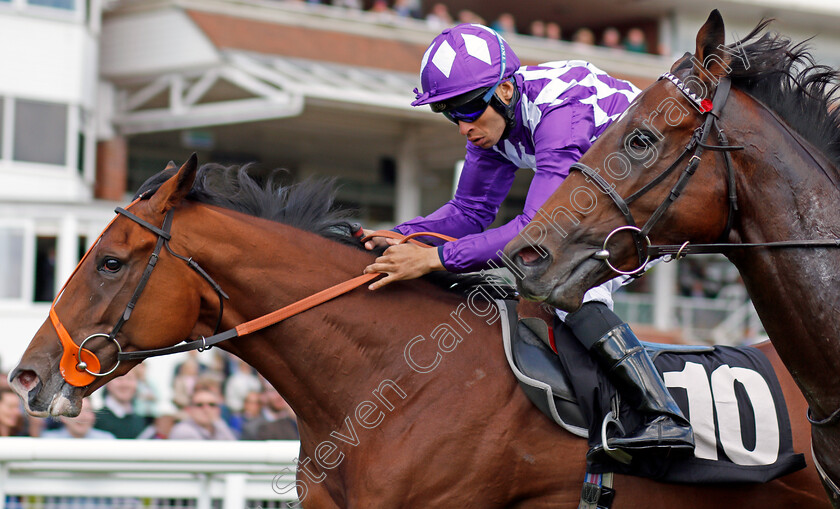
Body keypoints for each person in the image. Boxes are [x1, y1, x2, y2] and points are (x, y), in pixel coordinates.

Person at [362, 24, 693, 457]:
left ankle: (661, 416)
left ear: (503, 91)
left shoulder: (561, 111)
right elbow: (468, 214)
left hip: (661, 185)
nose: (462, 128)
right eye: (448, 114)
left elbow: (535, 231)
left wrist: (434, 259)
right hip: (609, 189)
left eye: (465, 110)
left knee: (557, 277)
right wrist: (399, 234)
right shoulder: (492, 123)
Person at [94, 371, 151, 439]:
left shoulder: (143, 420)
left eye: (129, 378)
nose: (125, 384)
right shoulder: (95, 420)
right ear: (107, 382)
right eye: (119, 378)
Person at [169, 388, 237, 440]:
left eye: (212, 405)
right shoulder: (182, 431)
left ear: (219, 409)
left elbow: (234, 449)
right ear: (189, 410)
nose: (206, 409)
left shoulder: (219, 425)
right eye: (200, 405)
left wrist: (219, 423)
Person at [42, 399, 116, 439]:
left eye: (88, 411)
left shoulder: (107, 440)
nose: (83, 417)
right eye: (77, 411)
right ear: (63, 417)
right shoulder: (49, 440)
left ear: (93, 417)